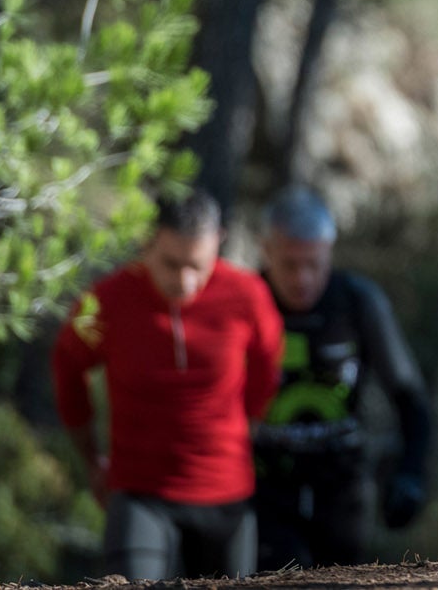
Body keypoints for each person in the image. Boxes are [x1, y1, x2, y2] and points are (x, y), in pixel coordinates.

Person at [52, 190, 284, 579]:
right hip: (139, 493)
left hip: (225, 495)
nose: (185, 282)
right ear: (147, 244)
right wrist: (92, 458)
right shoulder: (108, 301)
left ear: (219, 243)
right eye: (171, 264)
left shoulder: (246, 295)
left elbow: (267, 363)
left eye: (198, 266)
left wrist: (249, 423)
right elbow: (67, 364)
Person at [252, 186, 434, 569]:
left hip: (342, 485)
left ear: (329, 252)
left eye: (313, 264)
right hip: (264, 487)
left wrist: (411, 474)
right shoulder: (244, 301)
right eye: (289, 264)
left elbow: (409, 394)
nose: (302, 278)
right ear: (265, 250)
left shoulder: (357, 302)